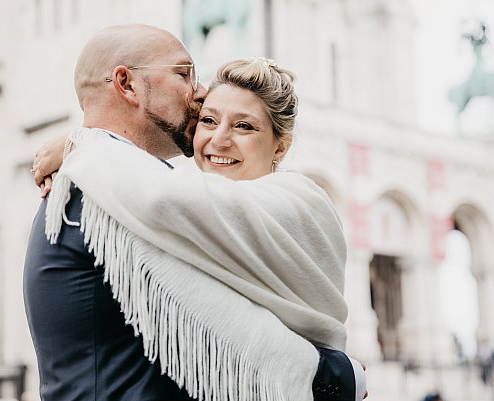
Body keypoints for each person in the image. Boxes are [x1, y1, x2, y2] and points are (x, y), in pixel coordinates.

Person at [25, 24, 365, 401]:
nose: (198, 92)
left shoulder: (296, 201)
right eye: (184, 74)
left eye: (244, 126)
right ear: (127, 84)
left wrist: (83, 145)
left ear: (280, 147)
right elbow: (233, 332)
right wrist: (343, 376)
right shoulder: (105, 200)